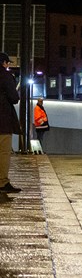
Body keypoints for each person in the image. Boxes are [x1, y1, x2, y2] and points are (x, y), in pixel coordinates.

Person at [0, 52, 21, 193]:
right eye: (7, 63)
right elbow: (14, 98)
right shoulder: (6, 76)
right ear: (4, 63)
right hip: (3, 120)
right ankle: (2, 182)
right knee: (3, 152)